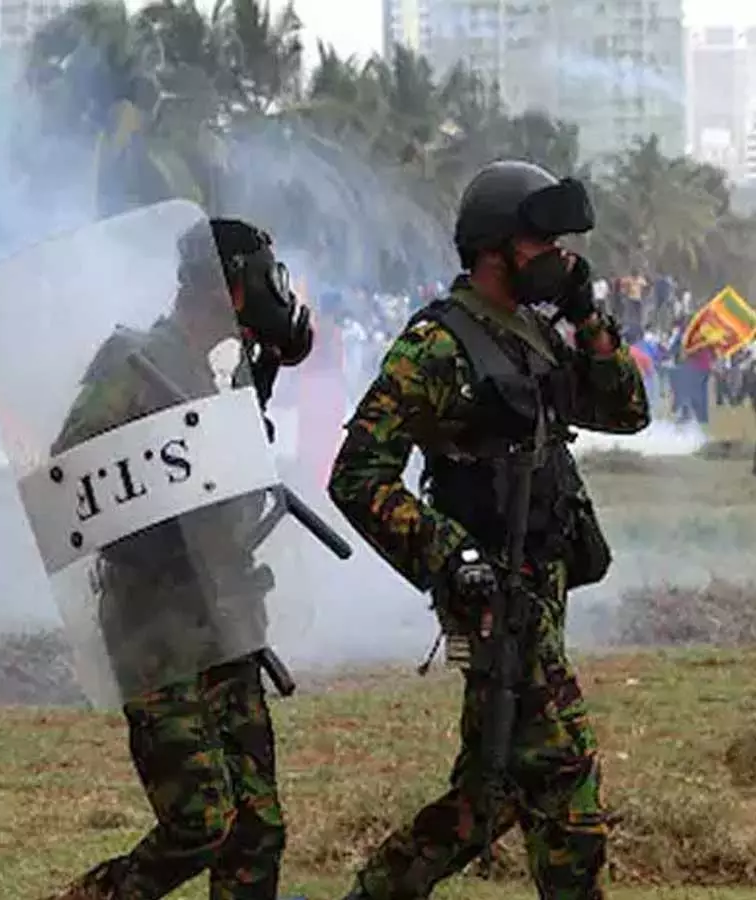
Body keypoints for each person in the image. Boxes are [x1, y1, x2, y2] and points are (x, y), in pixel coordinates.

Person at [326, 159, 650, 900]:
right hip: (494, 595)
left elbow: (627, 411)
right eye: (544, 244)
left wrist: (589, 317)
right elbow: (357, 475)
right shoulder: (436, 347)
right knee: (567, 780)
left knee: (490, 796)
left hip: (545, 582)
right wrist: (449, 555)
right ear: (496, 247)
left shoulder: (535, 336)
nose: (558, 257)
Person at [46, 218, 314, 900]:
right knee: (200, 823)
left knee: (257, 831)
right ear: (226, 287)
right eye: (263, 280)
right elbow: (70, 474)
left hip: (223, 619)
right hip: (156, 628)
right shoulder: (134, 363)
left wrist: (269, 368)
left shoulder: (214, 379)